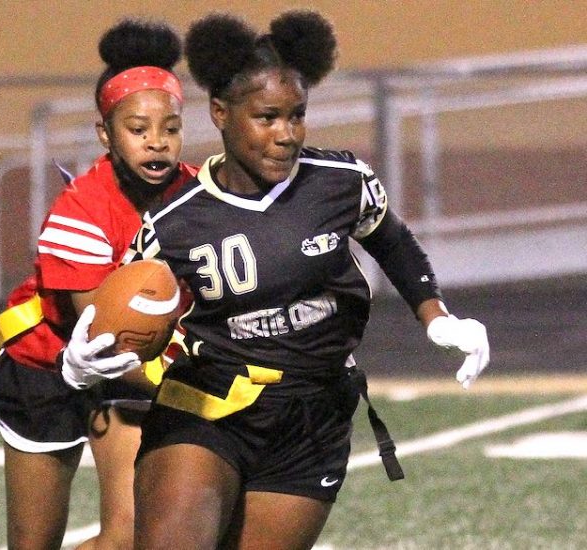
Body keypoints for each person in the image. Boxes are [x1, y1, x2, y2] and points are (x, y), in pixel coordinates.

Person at [65, 10, 491, 550]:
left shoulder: (342, 183)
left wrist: (438, 318)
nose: (285, 135)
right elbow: (129, 308)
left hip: (314, 412)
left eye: (297, 116)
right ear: (221, 112)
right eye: (267, 117)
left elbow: (393, 242)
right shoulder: (174, 220)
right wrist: (84, 361)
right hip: (207, 406)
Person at [0, 18, 197, 550]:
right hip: (49, 368)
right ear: (106, 133)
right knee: (33, 542)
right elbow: (103, 332)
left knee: (131, 537)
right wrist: (207, 395)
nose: (157, 142)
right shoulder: (82, 207)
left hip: (129, 370)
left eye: (169, 128)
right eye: (138, 128)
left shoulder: (198, 196)